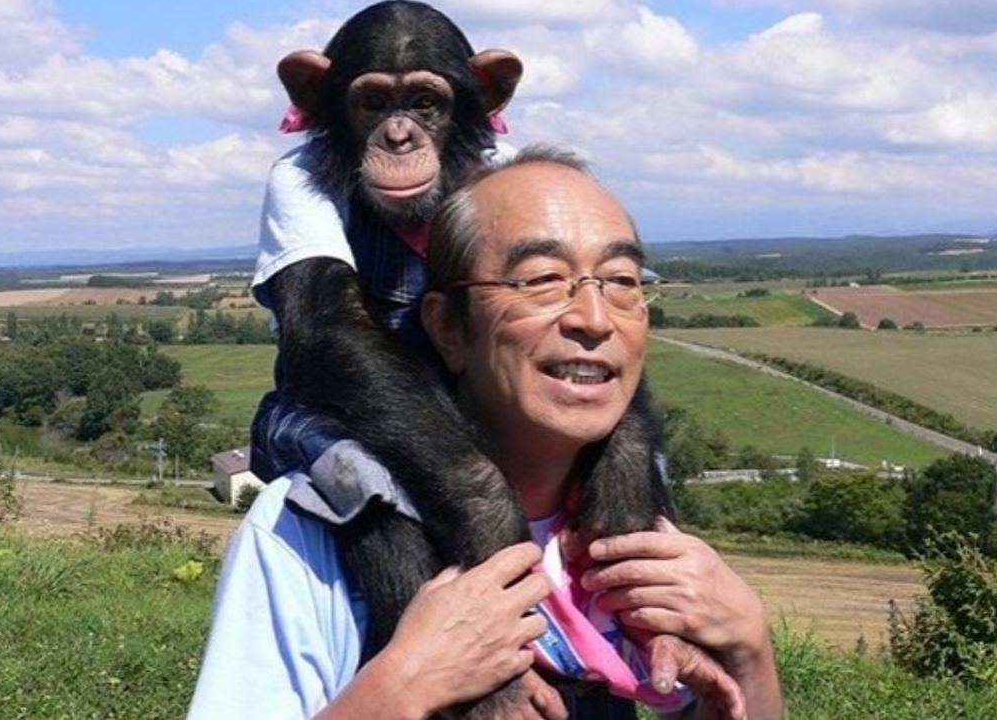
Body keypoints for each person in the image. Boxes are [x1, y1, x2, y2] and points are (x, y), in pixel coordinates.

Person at [187, 147, 784, 720]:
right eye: (542, 279)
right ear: (446, 328)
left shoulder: (630, 517)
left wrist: (749, 650)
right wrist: (404, 683)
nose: (594, 319)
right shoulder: (317, 528)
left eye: (622, 280)